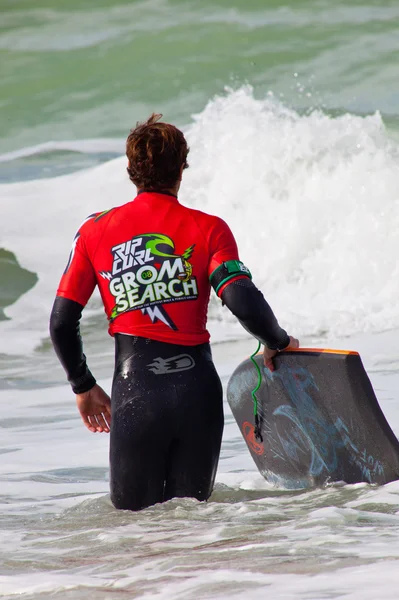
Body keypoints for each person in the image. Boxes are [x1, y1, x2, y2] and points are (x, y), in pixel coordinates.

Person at [50, 114, 299, 512]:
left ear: (131, 171)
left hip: (135, 397)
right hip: (197, 396)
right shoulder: (209, 229)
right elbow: (240, 298)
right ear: (181, 168)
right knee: (195, 531)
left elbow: (62, 322)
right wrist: (278, 342)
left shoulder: (95, 232)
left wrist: (83, 385)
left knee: (134, 535)